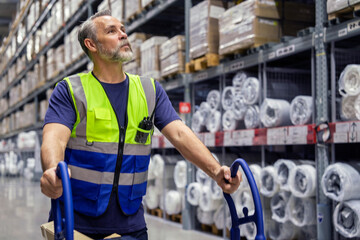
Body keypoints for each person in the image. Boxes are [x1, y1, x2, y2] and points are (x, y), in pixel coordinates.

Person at [40, 10, 241, 240]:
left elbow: (180, 134)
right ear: (91, 44)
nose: (123, 34)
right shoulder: (70, 90)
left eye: (123, 29)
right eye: (112, 31)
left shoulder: (149, 90)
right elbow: (54, 138)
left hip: (131, 224)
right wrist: (51, 170)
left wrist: (217, 172)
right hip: (77, 223)